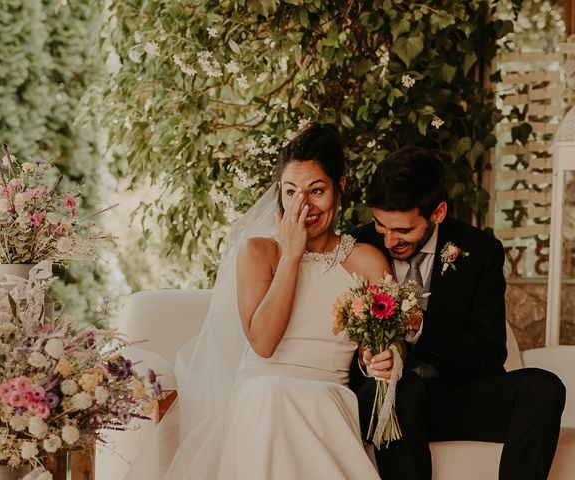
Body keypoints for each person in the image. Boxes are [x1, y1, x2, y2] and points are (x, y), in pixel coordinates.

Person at [127, 123, 389, 479]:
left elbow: (385, 345)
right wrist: (291, 256)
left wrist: (382, 358)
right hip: (261, 393)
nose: (304, 206)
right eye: (291, 191)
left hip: (328, 395)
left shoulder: (367, 261)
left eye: (317, 190)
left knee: (290, 400)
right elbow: (263, 343)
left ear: (339, 188)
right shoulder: (259, 252)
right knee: (271, 392)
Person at [350, 146, 566, 480]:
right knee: (404, 390)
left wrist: (421, 327)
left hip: (455, 397)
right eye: (382, 226)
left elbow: (489, 356)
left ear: (437, 213)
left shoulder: (479, 251)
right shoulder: (357, 246)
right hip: (388, 400)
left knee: (543, 388)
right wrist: (368, 360)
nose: (390, 241)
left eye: (403, 231)